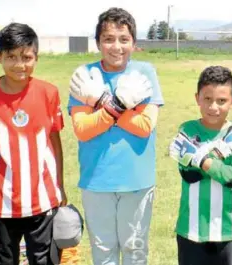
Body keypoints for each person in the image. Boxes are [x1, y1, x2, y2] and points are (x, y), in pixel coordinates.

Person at [0, 22, 67, 265]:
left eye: (26, 57)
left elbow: (55, 143)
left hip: (42, 197)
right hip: (1, 201)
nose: (20, 64)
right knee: (5, 260)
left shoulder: (48, 93)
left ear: (36, 57)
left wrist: (59, 185)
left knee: (43, 260)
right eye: (11, 57)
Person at [67, 7, 164, 265]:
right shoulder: (85, 75)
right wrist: (120, 106)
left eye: (124, 39)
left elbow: (145, 126)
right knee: (103, 251)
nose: (116, 46)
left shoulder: (144, 72)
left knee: (135, 250)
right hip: (97, 179)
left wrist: (101, 101)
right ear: (98, 42)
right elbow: (83, 129)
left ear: (133, 42)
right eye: (108, 39)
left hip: (136, 179)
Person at [168, 66, 232, 265]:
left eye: (221, 101)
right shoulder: (188, 129)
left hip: (229, 230)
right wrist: (219, 159)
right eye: (207, 99)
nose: (213, 107)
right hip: (191, 228)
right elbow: (189, 174)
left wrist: (201, 159)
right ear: (197, 98)